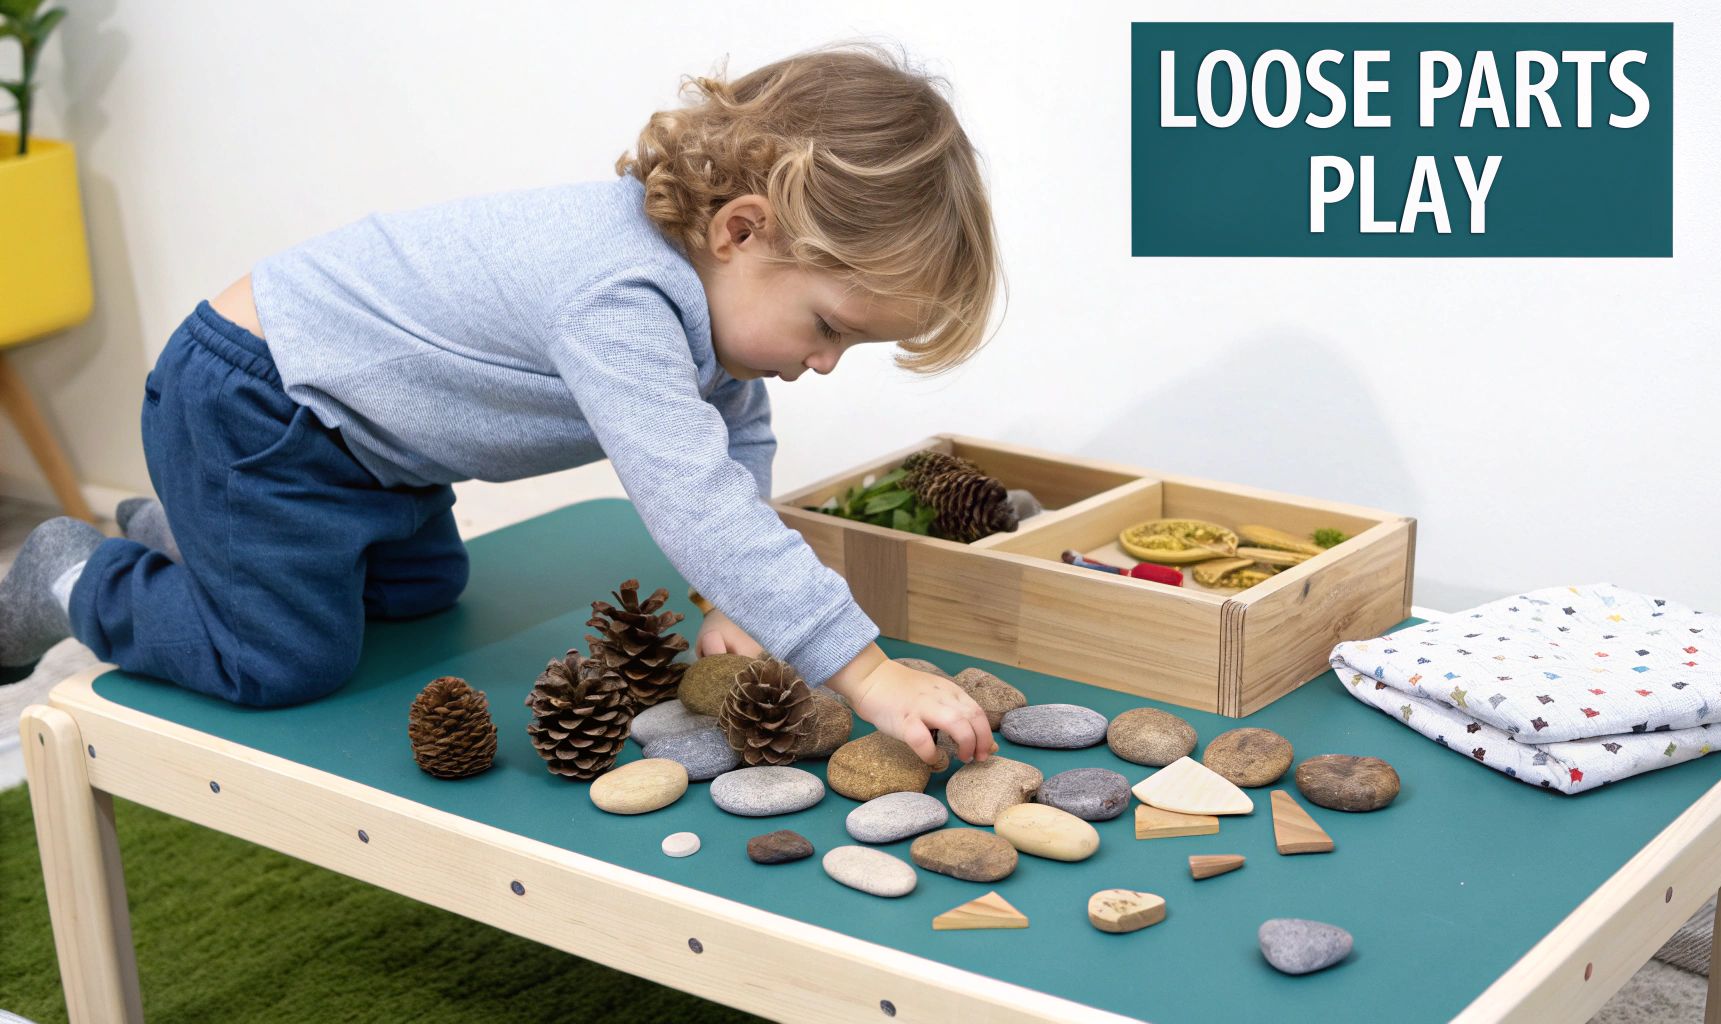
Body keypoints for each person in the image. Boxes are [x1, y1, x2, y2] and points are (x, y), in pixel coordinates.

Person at [0, 45, 1002, 767]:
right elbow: (692, 497)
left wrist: (732, 597)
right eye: (828, 327)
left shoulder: (709, 291)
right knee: (283, 658)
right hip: (255, 407)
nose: (824, 364)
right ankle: (71, 575)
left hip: (366, 451)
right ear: (742, 229)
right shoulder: (619, 294)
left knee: (423, 591)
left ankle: (198, 534)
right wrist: (865, 673)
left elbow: (733, 441)